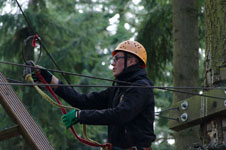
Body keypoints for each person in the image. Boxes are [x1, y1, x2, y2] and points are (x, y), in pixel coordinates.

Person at [25, 40, 156, 150]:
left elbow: (121, 114)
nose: (112, 63)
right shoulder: (117, 89)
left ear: (132, 61)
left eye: (116, 58)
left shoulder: (141, 87)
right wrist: (51, 80)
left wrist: (80, 115)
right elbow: (83, 102)